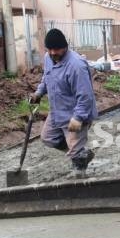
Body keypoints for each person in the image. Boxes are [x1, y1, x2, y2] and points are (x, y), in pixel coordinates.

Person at [31, 28, 98, 179]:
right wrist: (39, 92)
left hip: (74, 114)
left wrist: (78, 118)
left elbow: (85, 96)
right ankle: (81, 153)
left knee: (76, 154)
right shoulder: (49, 58)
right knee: (48, 138)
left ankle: (80, 179)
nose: (53, 52)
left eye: (57, 49)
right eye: (50, 49)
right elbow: (47, 78)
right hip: (57, 111)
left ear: (65, 46)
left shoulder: (76, 66)